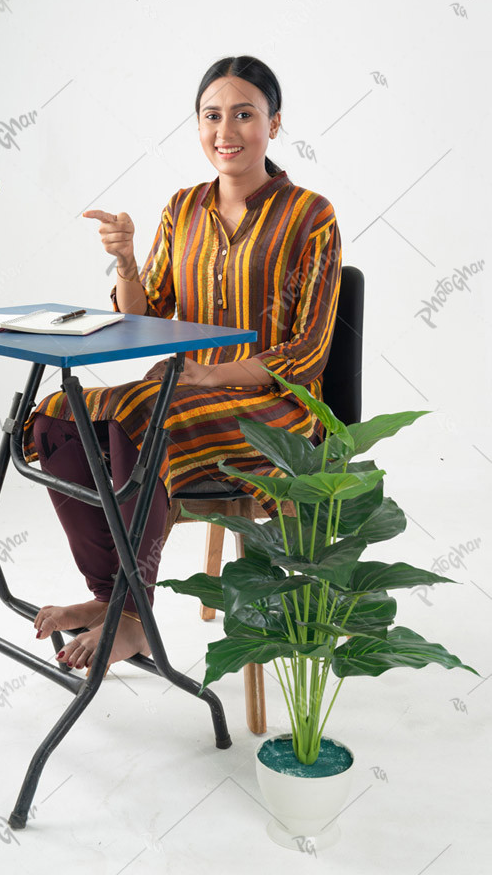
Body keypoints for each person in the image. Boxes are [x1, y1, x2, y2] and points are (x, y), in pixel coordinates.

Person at [24, 55, 342, 672]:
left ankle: (135, 621)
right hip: (184, 396)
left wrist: (212, 373)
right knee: (59, 415)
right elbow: (150, 319)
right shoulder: (181, 209)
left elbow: (308, 351)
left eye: (244, 114)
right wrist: (124, 262)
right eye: (212, 116)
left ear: (274, 125)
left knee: (144, 411)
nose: (227, 130)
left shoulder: (311, 215)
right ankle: (109, 595)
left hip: (277, 410)